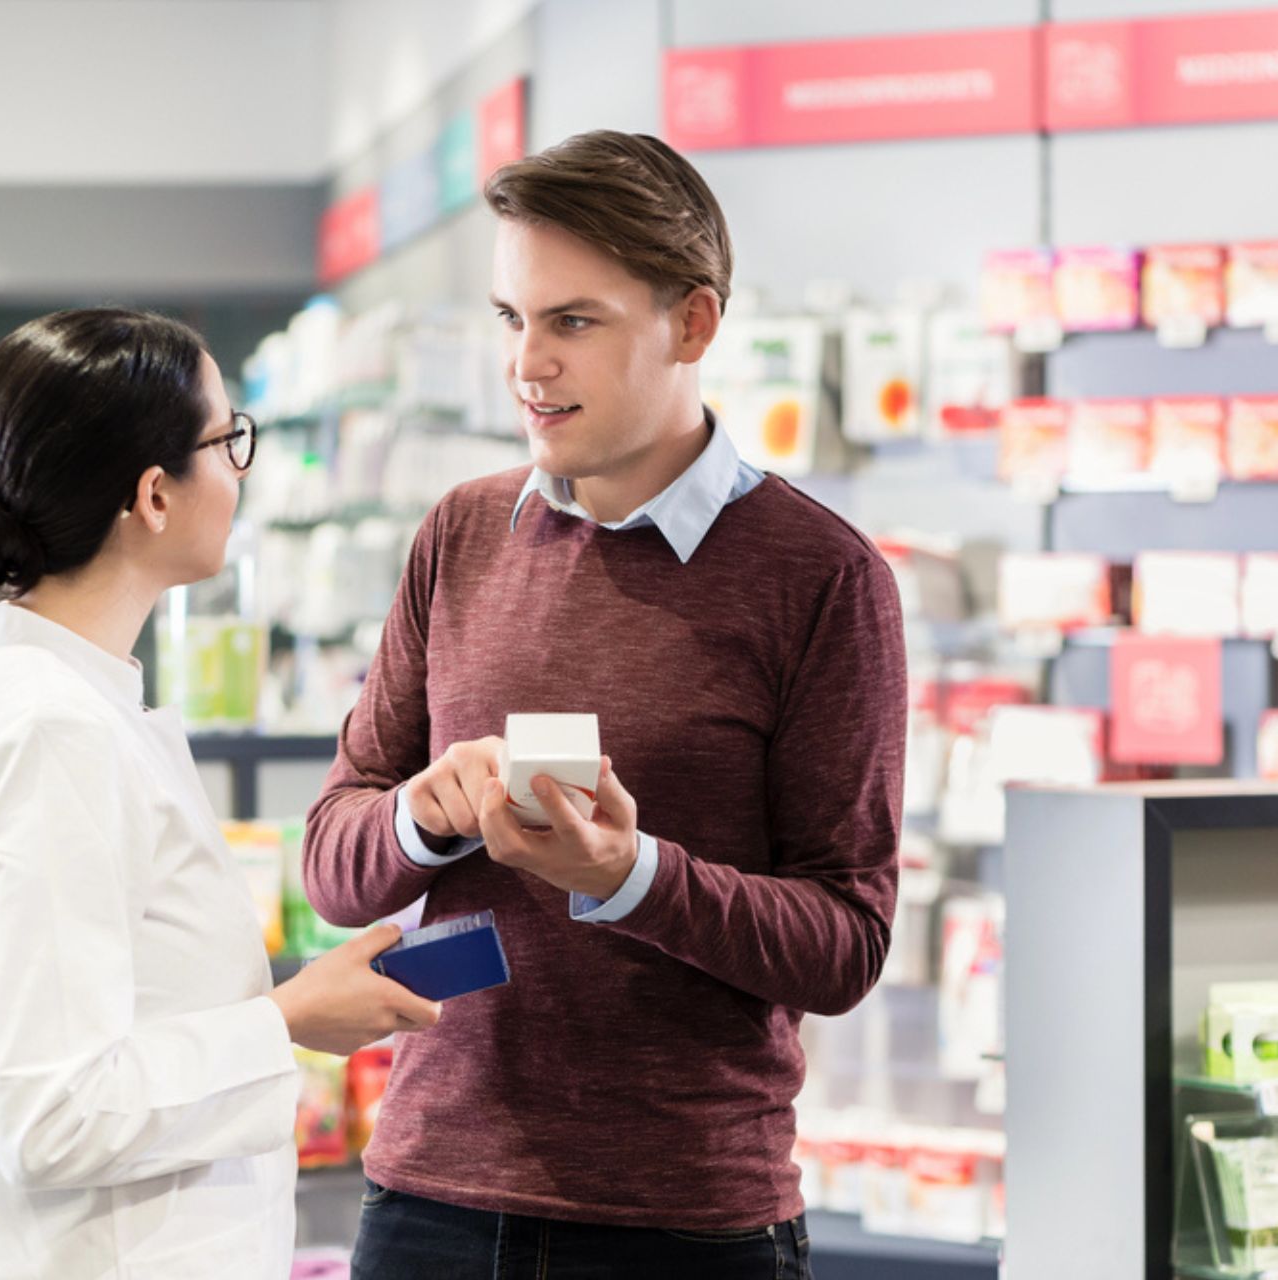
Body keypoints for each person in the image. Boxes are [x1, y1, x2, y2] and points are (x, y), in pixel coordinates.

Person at [302, 132, 908, 1278]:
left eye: (573, 321)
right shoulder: (462, 535)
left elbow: (846, 942)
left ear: (693, 324)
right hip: (433, 1198)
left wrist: (627, 877)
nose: (528, 363)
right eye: (510, 319)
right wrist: (422, 816)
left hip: (686, 1223)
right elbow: (336, 864)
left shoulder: (820, 577)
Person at [0, 308, 441, 1280]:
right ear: (152, 495)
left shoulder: (36, 694)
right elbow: (55, 1113)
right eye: (229, 442)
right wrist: (291, 1018)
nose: (239, 472)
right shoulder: (49, 729)